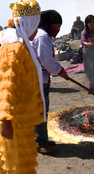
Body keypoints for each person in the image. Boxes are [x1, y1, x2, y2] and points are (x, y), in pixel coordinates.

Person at [0, 0, 45, 173]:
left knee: (6, 157)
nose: (37, 31)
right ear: (28, 23)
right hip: (16, 118)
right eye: (35, 26)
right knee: (18, 163)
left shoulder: (21, 44)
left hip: (23, 115)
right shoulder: (14, 48)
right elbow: (6, 84)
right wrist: (5, 119)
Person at [31, 9, 69, 154]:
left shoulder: (43, 35)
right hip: (38, 80)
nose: (58, 30)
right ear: (48, 24)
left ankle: (42, 138)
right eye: (57, 26)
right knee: (40, 111)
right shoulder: (41, 36)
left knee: (42, 110)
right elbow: (46, 60)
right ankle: (40, 143)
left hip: (42, 79)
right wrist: (61, 70)